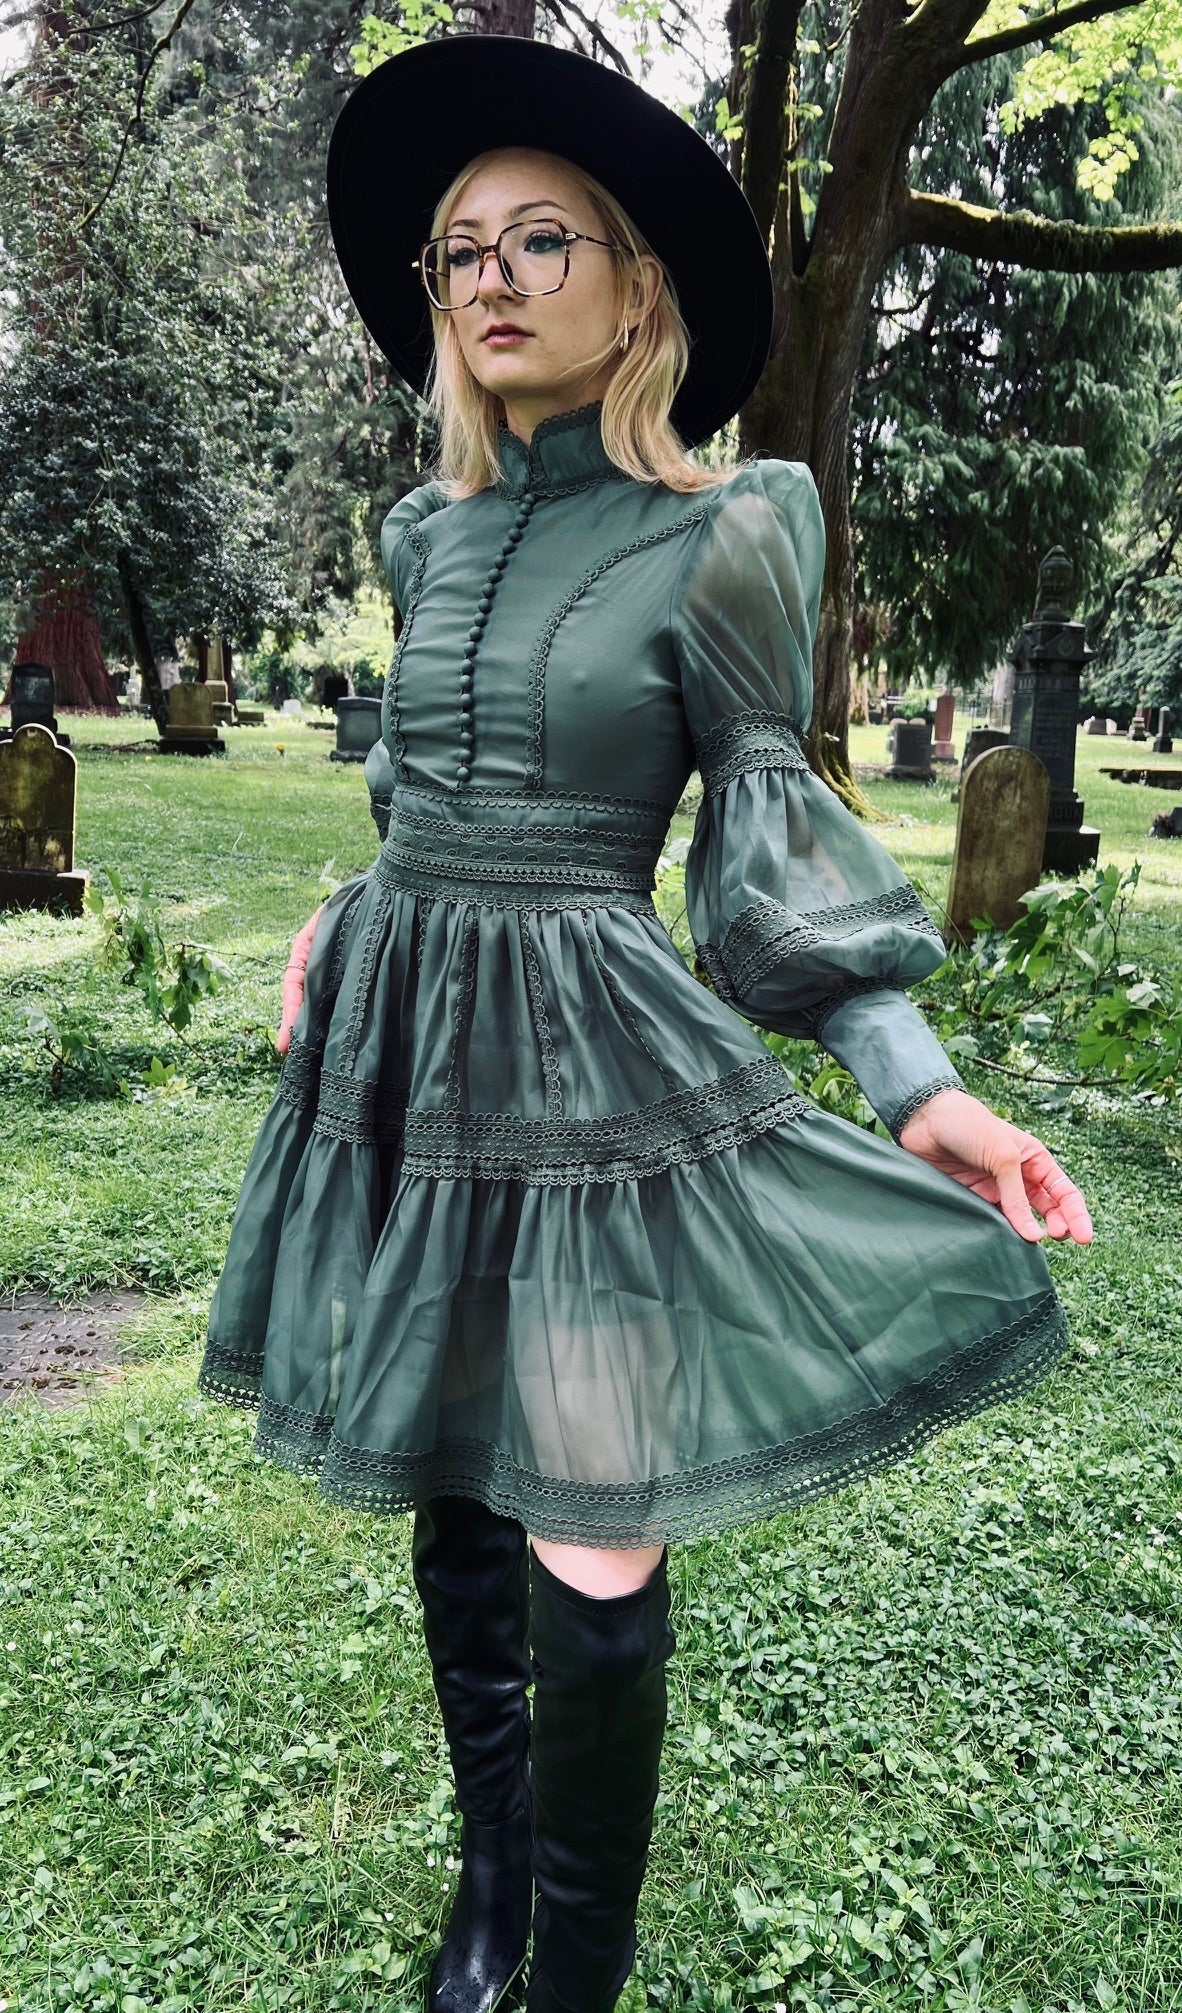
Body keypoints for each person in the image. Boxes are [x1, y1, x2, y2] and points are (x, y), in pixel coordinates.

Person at [197, 37, 1093, 2013]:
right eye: (458, 253)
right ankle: (491, 1890)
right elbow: (421, 797)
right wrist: (348, 909)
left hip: (590, 1060)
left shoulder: (727, 528)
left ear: (637, 283)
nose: (490, 278)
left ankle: (574, 1971)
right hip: (406, 1052)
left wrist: (919, 1090)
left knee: (590, 1519)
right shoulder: (426, 537)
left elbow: (766, 846)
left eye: (539, 239)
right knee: (453, 1470)